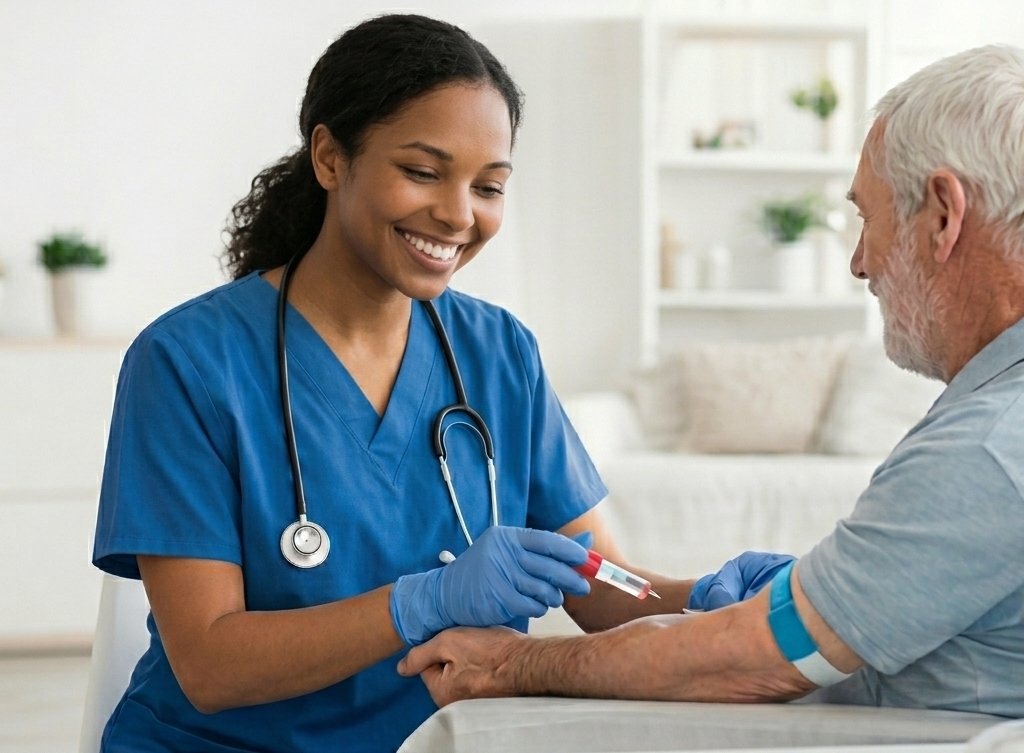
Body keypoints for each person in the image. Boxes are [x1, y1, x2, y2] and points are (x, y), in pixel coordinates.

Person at [90, 14, 691, 753]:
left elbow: (601, 582)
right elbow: (211, 664)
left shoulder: (499, 353)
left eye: (489, 185)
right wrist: (421, 602)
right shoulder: (187, 361)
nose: (458, 214)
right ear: (329, 157)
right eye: (422, 171)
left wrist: (729, 601)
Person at [399, 44, 1024, 719]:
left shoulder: (987, 445)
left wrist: (512, 661)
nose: (858, 262)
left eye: (867, 219)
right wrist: (722, 596)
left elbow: (755, 660)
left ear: (942, 215)